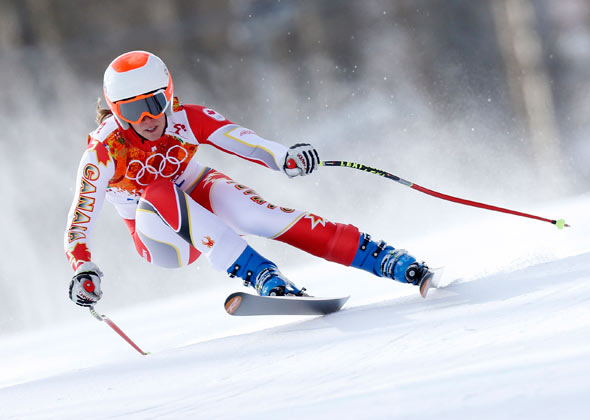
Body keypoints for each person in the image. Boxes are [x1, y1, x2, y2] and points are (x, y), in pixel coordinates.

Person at [65, 50, 433, 308]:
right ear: (116, 110)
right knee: (159, 189)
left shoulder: (185, 119)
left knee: (261, 215)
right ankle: (262, 276)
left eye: (154, 104)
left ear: (169, 95)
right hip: (161, 238)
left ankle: (387, 259)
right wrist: (83, 268)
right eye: (132, 110)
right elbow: (80, 219)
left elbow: (242, 139)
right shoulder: (103, 152)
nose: (146, 119)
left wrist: (284, 158)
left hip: (198, 194)